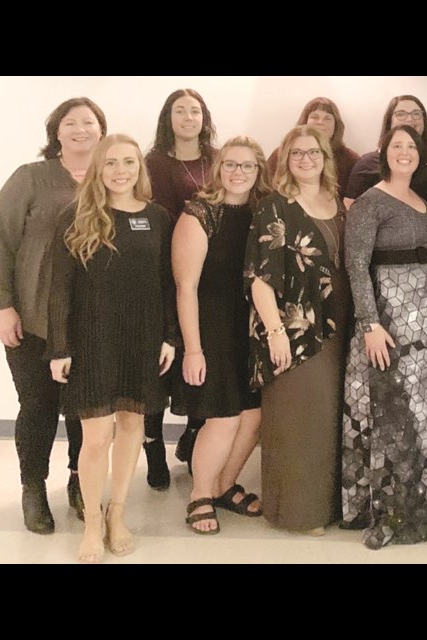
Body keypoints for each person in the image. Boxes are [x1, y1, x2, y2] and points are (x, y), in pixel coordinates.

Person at [47, 134, 177, 563]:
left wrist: (169, 336)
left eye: (129, 162)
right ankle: (91, 521)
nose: (121, 171)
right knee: (96, 436)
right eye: (111, 164)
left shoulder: (158, 218)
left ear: (140, 168)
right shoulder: (76, 215)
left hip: (142, 338)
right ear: (98, 170)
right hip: (91, 339)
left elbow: (166, 283)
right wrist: (59, 347)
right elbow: (59, 289)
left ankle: (116, 515)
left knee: (131, 426)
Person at [0, 97, 106, 532]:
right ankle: (33, 488)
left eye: (89, 122)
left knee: (83, 407)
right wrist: (3, 306)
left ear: (101, 131)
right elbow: (1, 244)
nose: (80, 129)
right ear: (56, 132)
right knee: (37, 405)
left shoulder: (111, 178)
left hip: (88, 320)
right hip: (32, 318)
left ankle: (80, 480)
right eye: (70, 123)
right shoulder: (30, 179)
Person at [341, 124, 427, 549]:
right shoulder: (370, 203)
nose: (405, 152)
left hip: (423, 323)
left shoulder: (423, 202)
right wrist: (370, 325)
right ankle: (389, 513)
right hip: (387, 324)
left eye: (411, 146)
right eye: (397, 146)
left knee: (422, 418)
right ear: (383, 153)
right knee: (391, 418)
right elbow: (356, 266)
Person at [246, 125, 350, 534]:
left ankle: (327, 506)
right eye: (297, 154)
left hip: (340, 325)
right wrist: (274, 333)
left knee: (328, 421)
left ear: (326, 157)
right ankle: (296, 513)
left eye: (314, 153)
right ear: (285, 159)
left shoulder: (339, 202)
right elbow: (260, 278)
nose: (306, 160)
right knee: (298, 422)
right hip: (293, 329)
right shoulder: (276, 206)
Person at [172, 137, 271, 534]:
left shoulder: (263, 211)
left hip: (250, 324)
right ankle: (199, 494)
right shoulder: (199, 214)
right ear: (218, 168)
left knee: (253, 415)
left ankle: (224, 485)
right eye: (231, 164)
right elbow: (185, 288)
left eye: (248, 166)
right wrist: (193, 349)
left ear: (258, 171)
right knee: (223, 417)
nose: (238, 172)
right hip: (210, 325)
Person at [143, 88, 218, 486]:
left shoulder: (217, 162)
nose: (189, 117)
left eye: (195, 111)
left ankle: (192, 434)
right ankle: (153, 448)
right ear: (167, 117)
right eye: (180, 111)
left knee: (204, 355)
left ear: (204, 118)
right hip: (157, 273)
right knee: (158, 364)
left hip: (204, 275)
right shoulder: (151, 162)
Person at [343, 95, 427, 210]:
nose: (410, 119)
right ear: (389, 120)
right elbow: (350, 207)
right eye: (401, 114)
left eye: (416, 113)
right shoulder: (367, 163)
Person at [265, 97, 359, 196]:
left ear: (336, 125)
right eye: (314, 117)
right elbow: (265, 187)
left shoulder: (350, 160)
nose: (320, 122)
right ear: (305, 121)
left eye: (327, 118)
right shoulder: (282, 153)